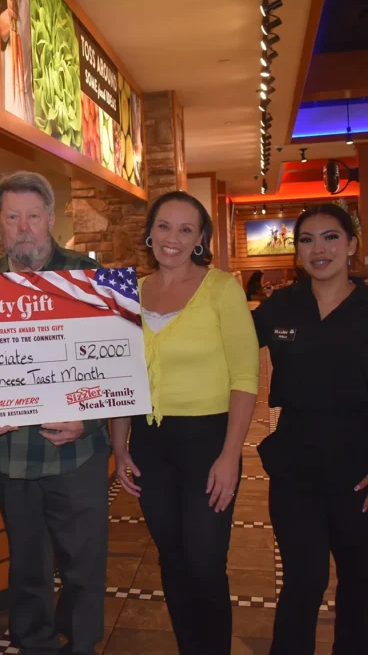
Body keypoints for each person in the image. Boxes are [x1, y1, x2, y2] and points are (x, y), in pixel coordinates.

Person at [111, 191, 259, 655]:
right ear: (150, 231)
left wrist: (231, 455)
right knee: (172, 560)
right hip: (152, 444)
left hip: (207, 441)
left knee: (205, 562)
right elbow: (120, 376)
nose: (172, 238)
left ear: (200, 239)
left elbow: (246, 378)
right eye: (164, 226)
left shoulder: (222, 289)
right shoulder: (128, 291)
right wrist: (120, 447)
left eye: (185, 229)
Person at [0, 171, 110, 655]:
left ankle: (81, 647)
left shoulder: (89, 276)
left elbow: (121, 367)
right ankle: (35, 646)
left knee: (84, 566)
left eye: (33, 216)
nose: (24, 227)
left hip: (78, 452)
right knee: (27, 569)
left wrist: (90, 419)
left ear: (51, 219)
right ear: (0, 224)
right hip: (14, 457)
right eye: (12, 217)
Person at [252, 204, 368, 654]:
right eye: (307, 239)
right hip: (295, 464)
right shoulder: (283, 304)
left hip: (357, 467)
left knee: (358, 585)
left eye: (331, 237)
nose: (319, 249)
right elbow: (223, 345)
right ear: (296, 250)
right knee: (303, 580)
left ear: (352, 245)